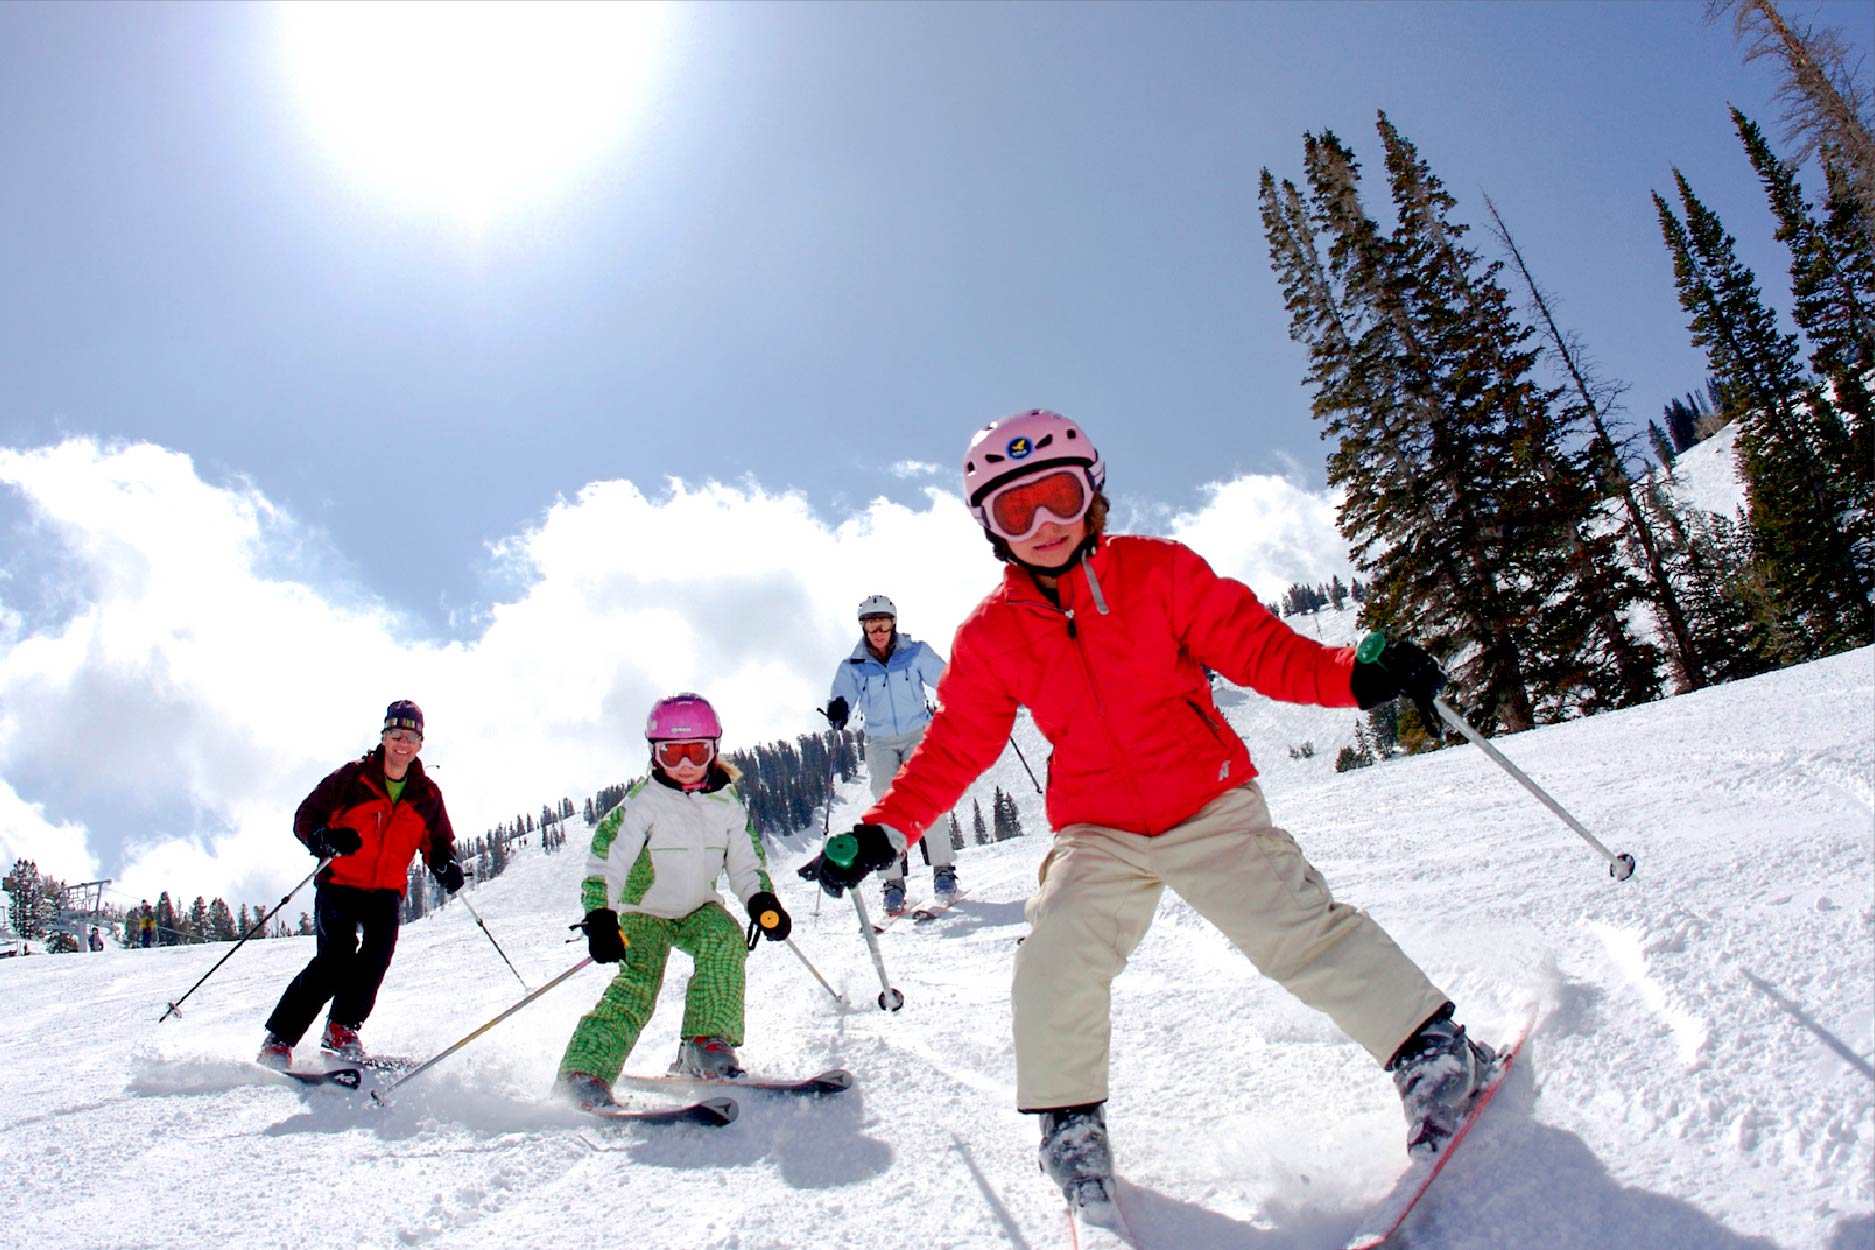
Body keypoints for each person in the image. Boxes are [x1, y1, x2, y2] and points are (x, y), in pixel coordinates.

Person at [808, 410, 1497, 1224]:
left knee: (1293, 927)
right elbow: (955, 744)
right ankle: (1069, 1125)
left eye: (1058, 498)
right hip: (1096, 828)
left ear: (1093, 492)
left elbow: (1262, 649)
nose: (1043, 526)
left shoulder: (1157, 571)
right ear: (988, 527)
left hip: (1204, 798)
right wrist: (885, 831)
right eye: (1015, 512)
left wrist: (1353, 675)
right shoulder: (991, 633)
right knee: (1054, 954)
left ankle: (1430, 1046)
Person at [555, 693, 792, 1110]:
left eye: (696, 751)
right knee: (639, 982)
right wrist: (601, 915)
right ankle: (585, 1070)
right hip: (643, 913)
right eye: (672, 753)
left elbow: (746, 862)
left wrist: (760, 902)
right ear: (655, 753)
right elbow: (607, 860)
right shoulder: (643, 803)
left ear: (714, 750)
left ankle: (703, 1045)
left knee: (724, 940)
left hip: (697, 908)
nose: (685, 763)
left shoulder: (727, 804)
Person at [257, 699, 464, 1068]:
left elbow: (437, 842)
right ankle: (279, 1039)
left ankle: (342, 1028)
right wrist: (326, 839)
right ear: (384, 737)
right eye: (396, 735)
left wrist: (445, 865)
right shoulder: (352, 779)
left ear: (420, 745)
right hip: (341, 880)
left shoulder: (426, 794)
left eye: (410, 737)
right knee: (335, 959)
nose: (402, 744)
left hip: (385, 889)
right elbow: (306, 818)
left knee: (376, 955)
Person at [824, 594, 958, 914]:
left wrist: (964, 693)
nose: (878, 631)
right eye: (872, 625)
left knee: (929, 799)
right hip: (880, 742)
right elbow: (842, 693)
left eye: (883, 623)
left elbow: (946, 678)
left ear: (893, 624)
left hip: (918, 735)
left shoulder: (915, 653)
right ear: (864, 628)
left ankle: (943, 871)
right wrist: (838, 708)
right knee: (885, 807)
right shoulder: (854, 666)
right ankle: (893, 882)